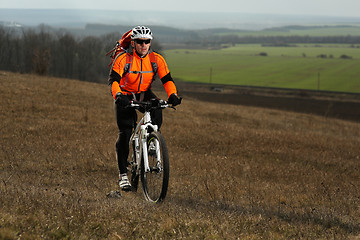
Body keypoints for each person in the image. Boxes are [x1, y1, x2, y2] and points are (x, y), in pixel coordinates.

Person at [108, 26, 182, 191]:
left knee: (157, 108)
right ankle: (123, 176)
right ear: (133, 43)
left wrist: (173, 95)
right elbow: (113, 80)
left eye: (146, 41)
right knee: (125, 132)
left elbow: (167, 79)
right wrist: (118, 95)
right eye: (140, 42)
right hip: (125, 95)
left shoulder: (156, 59)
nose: (143, 45)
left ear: (150, 42)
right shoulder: (123, 59)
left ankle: (152, 140)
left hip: (143, 93)